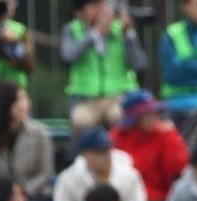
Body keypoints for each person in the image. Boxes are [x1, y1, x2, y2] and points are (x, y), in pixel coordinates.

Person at [62, 0, 145, 133]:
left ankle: (123, 154)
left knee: (123, 118)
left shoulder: (121, 30)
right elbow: (67, 56)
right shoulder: (72, 29)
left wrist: (129, 34)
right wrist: (95, 34)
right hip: (86, 100)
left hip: (118, 97)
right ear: (80, 12)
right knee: (81, 121)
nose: (101, 10)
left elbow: (139, 65)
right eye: (94, 6)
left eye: (103, 5)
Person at [51, 128, 147, 201]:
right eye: (99, 152)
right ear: (85, 154)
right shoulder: (68, 179)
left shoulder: (130, 176)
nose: (107, 155)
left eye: (108, 149)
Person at [0, 83, 52, 201]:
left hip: (33, 198)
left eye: (25, 99)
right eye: (18, 100)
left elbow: (45, 174)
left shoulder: (40, 134)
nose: (24, 105)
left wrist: (20, 193)